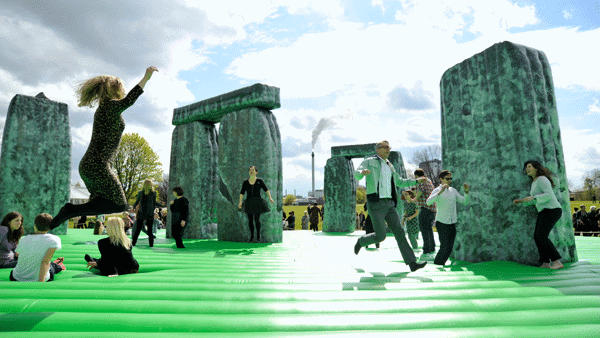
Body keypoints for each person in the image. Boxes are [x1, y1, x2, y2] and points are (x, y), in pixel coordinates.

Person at [49, 67, 158, 229]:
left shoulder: (105, 109)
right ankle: (70, 210)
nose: (123, 90)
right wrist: (146, 78)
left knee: (103, 202)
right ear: (115, 89)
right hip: (97, 166)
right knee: (119, 205)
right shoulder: (109, 107)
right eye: (121, 87)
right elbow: (129, 100)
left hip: (91, 166)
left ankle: (51, 225)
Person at [353, 140, 427, 272]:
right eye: (385, 147)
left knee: (399, 231)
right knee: (381, 236)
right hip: (376, 203)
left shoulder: (390, 165)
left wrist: (416, 180)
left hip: (390, 204)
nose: (388, 149)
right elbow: (357, 173)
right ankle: (361, 241)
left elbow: (399, 181)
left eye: (389, 147)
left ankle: (412, 263)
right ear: (378, 149)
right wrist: (362, 172)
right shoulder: (369, 161)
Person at [513, 160, 564, 269]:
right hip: (544, 211)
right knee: (537, 236)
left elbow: (549, 195)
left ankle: (556, 262)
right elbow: (535, 200)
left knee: (541, 236)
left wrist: (534, 197)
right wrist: (522, 201)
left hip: (552, 209)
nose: (527, 169)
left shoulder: (542, 179)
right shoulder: (534, 182)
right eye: (526, 167)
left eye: (529, 166)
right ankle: (545, 262)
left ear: (536, 168)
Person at [426, 170, 470, 266]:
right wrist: (439, 192)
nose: (449, 180)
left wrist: (466, 192)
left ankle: (440, 264)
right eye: (447, 178)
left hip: (452, 223)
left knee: (449, 248)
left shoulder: (453, 190)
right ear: (441, 179)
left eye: (450, 178)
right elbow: (428, 202)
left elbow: (464, 202)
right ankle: (437, 265)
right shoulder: (437, 190)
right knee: (444, 246)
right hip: (441, 223)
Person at [10, 213, 65, 282]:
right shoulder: (54, 239)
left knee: (42, 262)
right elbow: (45, 262)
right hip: (38, 278)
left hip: (16, 277)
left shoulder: (23, 239)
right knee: (50, 266)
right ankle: (58, 266)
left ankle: (55, 264)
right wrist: (40, 283)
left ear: (35, 225)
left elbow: (18, 254)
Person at [238, 166, 275, 242]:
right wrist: (240, 202)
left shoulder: (260, 181)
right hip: (249, 202)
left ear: (256, 172)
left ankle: (258, 234)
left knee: (257, 219)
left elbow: (266, 189)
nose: (251, 171)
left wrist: (270, 198)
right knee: (250, 220)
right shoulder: (245, 182)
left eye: (253, 170)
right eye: (250, 170)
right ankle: (252, 235)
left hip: (258, 202)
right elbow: (242, 192)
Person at [412, 168, 437, 261]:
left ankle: (426, 249)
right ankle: (432, 247)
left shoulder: (422, 181)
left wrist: (414, 199)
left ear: (417, 176)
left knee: (423, 228)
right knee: (428, 228)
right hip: (432, 208)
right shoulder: (429, 180)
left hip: (426, 208)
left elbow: (420, 191)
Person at [132, 180, 164, 247]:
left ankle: (133, 243)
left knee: (138, 230)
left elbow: (137, 201)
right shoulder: (149, 193)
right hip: (148, 213)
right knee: (149, 230)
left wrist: (133, 207)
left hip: (144, 213)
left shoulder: (149, 193)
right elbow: (154, 202)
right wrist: (162, 205)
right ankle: (151, 245)